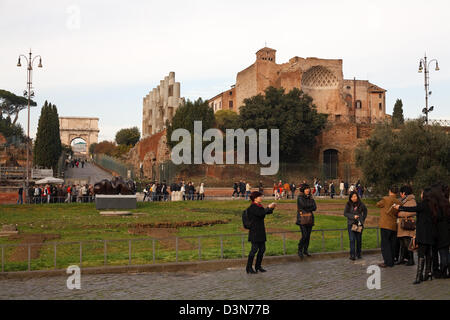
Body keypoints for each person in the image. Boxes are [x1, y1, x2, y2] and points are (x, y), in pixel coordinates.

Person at [394, 188, 439, 284]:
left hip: (423, 233)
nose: (421, 194)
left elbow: (413, 209)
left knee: (421, 254)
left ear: (425, 195)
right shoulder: (434, 205)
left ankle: (419, 276)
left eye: (422, 193)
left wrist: (400, 207)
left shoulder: (423, 204)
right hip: (431, 233)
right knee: (428, 253)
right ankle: (428, 274)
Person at [246, 191, 276, 274]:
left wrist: (272, 207)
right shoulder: (252, 207)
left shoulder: (259, 206)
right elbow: (261, 213)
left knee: (262, 249)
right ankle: (249, 267)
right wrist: (268, 207)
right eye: (260, 196)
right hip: (254, 231)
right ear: (255, 198)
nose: (261, 198)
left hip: (261, 231)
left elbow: (265, 213)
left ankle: (258, 266)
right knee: (254, 250)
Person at [376, 186, 401, 267]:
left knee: (385, 244)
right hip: (394, 225)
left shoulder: (385, 199)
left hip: (385, 224)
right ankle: (392, 260)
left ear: (390, 191)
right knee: (392, 244)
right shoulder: (399, 201)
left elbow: (378, 204)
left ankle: (387, 262)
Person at [396, 185, 416, 266]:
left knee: (407, 242)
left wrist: (400, 213)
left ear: (404, 193)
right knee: (402, 242)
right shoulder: (404, 200)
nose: (400, 194)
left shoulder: (411, 200)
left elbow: (413, 211)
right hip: (402, 225)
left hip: (407, 225)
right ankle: (402, 258)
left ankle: (411, 259)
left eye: (401, 193)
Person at [344, 191, 368, 260]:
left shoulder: (361, 204)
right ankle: (352, 255)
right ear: (350, 198)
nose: (354, 198)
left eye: (355, 196)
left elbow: (365, 211)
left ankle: (358, 254)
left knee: (358, 239)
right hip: (351, 224)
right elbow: (345, 213)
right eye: (353, 197)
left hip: (358, 224)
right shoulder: (348, 204)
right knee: (352, 239)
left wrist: (362, 218)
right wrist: (353, 216)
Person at [296, 185, 317, 258]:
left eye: (308, 189)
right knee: (304, 235)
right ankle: (299, 249)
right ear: (303, 190)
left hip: (310, 219)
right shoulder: (300, 197)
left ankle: (305, 250)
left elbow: (315, 207)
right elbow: (304, 205)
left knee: (308, 236)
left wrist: (309, 206)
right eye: (306, 189)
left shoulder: (310, 197)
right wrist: (310, 206)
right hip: (302, 219)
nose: (308, 190)